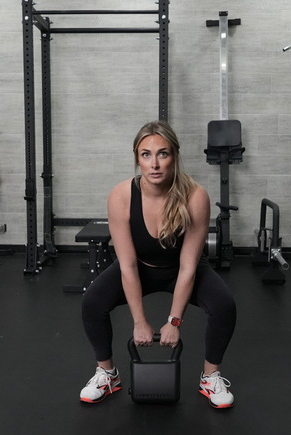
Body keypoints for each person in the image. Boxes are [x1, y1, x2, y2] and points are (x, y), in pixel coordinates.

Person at [79, 120, 237, 409]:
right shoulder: (121, 196)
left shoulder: (195, 197)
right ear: (137, 158)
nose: (155, 164)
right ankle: (107, 373)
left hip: (182, 269)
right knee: (92, 302)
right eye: (146, 154)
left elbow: (189, 267)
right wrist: (139, 322)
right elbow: (126, 266)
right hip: (138, 266)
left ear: (175, 156)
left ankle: (210, 376)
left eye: (163, 154)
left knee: (224, 305)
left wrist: (174, 321)